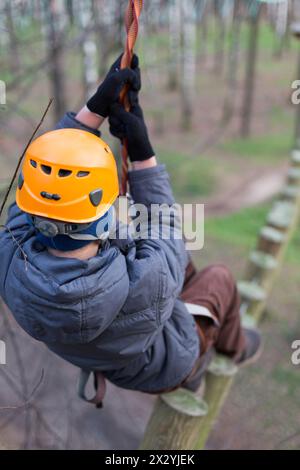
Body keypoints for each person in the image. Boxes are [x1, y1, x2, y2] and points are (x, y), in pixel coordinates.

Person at [0, 55, 262, 402]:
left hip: (110, 345)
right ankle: (234, 348)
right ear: (105, 210)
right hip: (167, 360)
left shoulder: (11, 250)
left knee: (180, 267)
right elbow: (165, 229)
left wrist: (96, 107)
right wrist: (143, 150)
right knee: (219, 279)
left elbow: (48, 178)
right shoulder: (140, 281)